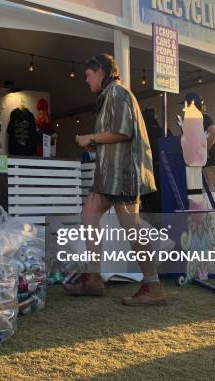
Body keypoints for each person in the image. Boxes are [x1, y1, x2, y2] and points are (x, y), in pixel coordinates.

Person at [70, 54, 165, 306]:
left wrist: (90, 138)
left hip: (122, 173)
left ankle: (153, 285)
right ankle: (94, 278)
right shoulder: (110, 95)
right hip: (109, 175)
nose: (87, 81)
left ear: (100, 71)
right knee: (89, 215)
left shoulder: (118, 93)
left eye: (89, 75)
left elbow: (123, 132)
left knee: (131, 227)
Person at [182, 93, 215, 191]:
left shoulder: (200, 117)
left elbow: (214, 131)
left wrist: (204, 150)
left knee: (207, 199)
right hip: (208, 165)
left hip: (207, 166)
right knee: (208, 198)